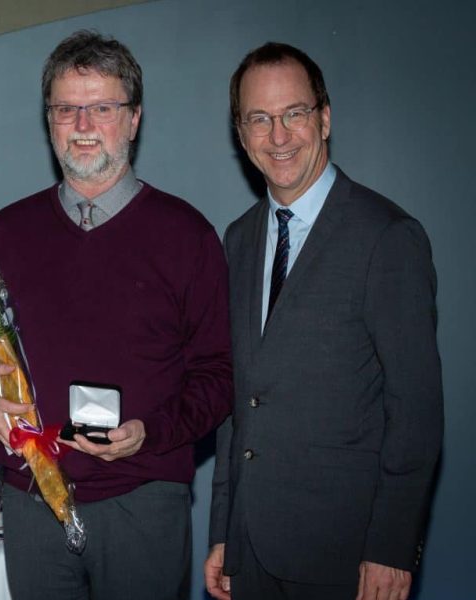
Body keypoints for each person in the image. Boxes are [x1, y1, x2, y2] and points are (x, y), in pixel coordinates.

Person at [0, 30, 232, 599]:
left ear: (133, 119)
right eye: (66, 109)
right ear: (48, 119)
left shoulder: (187, 235)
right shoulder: (8, 232)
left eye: (101, 108)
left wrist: (151, 434)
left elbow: (220, 375)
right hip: (31, 498)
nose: (82, 125)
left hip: (144, 496)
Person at [205, 42, 443, 600]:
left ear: (325, 118)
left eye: (295, 113)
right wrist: (224, 532)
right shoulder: (238, 240)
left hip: (349, 557)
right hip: (253, 552)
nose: (279, 136)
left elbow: (417, 408)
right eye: (259, 119)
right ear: (241, 135)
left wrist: (390, 545)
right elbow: (237, 404)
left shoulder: (387, 237)